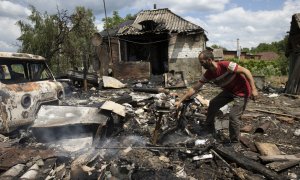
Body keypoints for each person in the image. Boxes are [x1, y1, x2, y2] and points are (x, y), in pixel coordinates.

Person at [175, 50, 258, 143]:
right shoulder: (208, 74)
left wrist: (254, 89)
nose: (201, 65)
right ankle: (209, 129)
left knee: (233, 116)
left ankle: (234, 141)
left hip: (242, 92)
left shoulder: (226, 65)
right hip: (229, 91)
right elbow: (194, 88)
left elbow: (246, 71)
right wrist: (180, 101)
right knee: (213, 103)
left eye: (202, 62)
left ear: (209, 60)